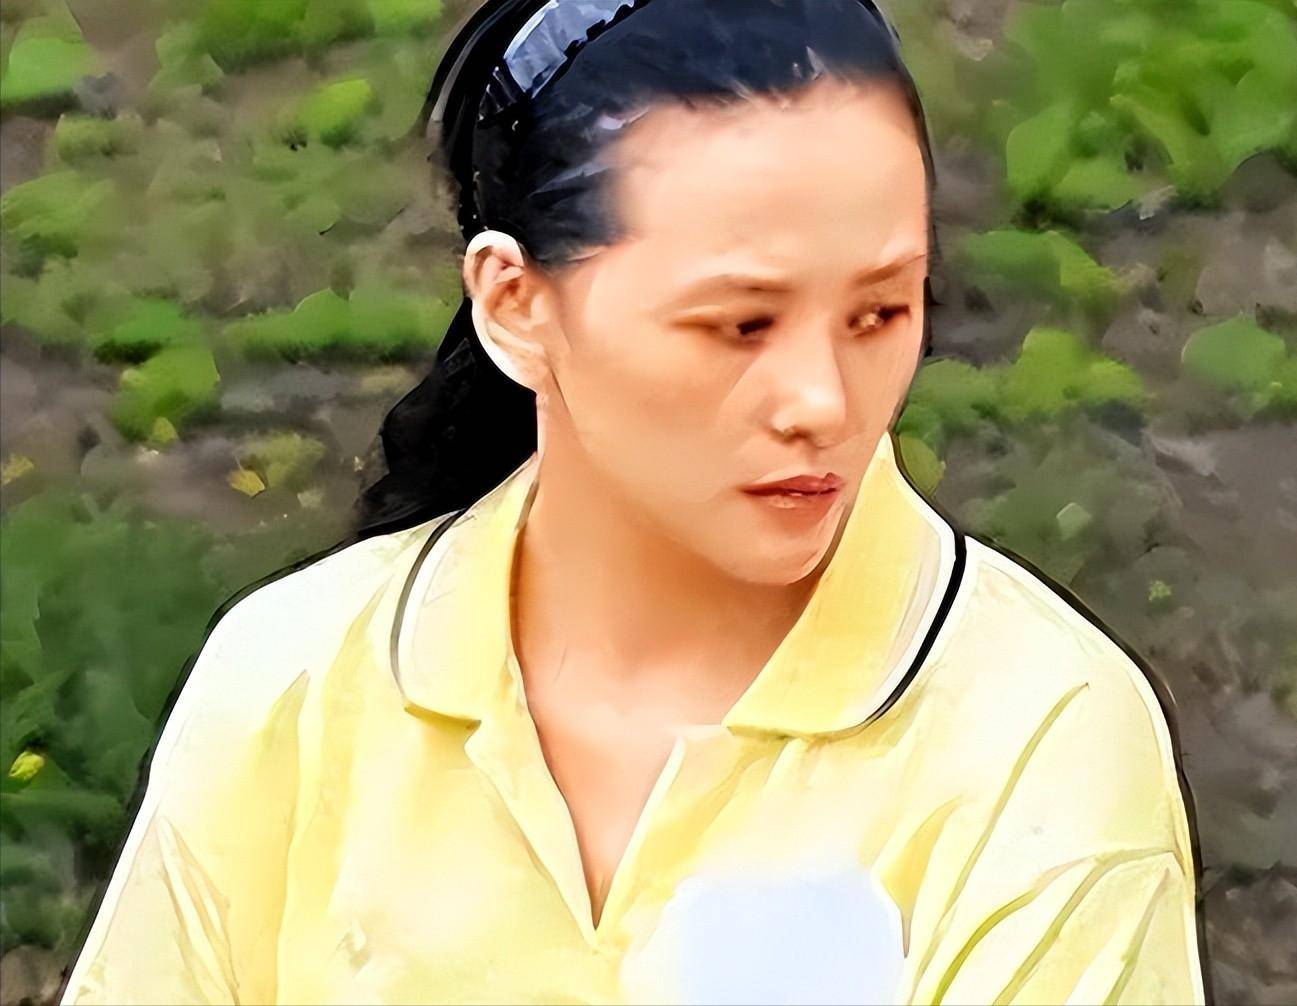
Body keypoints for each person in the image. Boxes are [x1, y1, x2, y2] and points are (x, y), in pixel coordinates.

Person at [60, 1, 1210, 1003]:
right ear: (515, 304)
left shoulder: (1037, 736)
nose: (822, 402)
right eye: (739, 325)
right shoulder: (296, 683)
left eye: (879, 314)